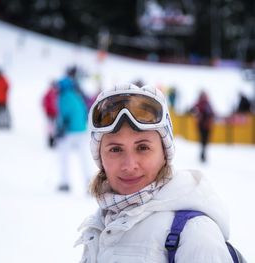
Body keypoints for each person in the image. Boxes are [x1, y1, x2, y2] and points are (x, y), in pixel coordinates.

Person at [75, 83, 233, 262]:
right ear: (100, 156)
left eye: (143, 147)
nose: (129, 165)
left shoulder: (194, 234)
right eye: (115, 149)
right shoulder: (101, 224)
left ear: (165, 153)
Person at [55, 74, 91, 192]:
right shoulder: (77, 96)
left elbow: (63, 116)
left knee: (64, 157)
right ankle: (89, 183)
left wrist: (59, 130)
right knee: (84, 157)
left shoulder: (63, 97)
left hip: (69, 132)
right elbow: (84, 111)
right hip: (81, 130)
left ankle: (65, 182)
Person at [191, 90, 214, 162]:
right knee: (204, 141)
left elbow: (192, 110)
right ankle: (203, 155)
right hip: (204, 126)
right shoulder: (205, 104)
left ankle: (202, 155)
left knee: (203, 141)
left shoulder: (202, 103)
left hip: (204, 126)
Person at [42, 80, 58, 148]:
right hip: (50, 114)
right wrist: (47, 111)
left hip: (56, 114)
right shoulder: (48, 93)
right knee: (50, 127)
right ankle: (51, 141)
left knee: (55, 127)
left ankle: (55, 140)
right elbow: (44, 103)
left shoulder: (57, 93)